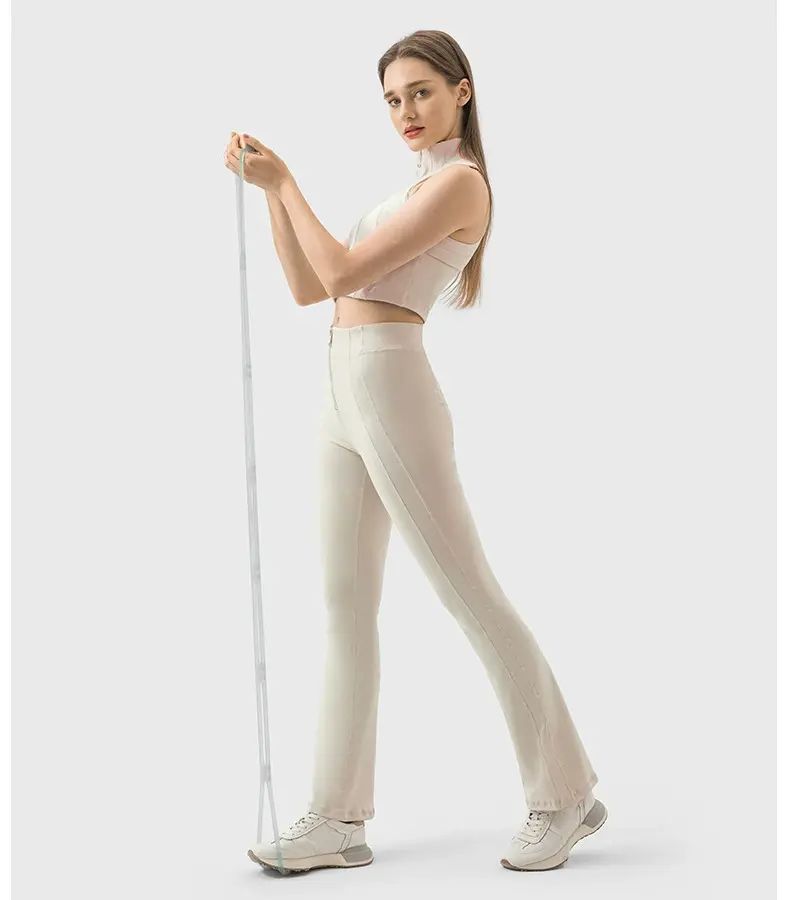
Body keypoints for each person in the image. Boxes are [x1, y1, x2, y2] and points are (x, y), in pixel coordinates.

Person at [225, 29, 606, 876]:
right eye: (393, 99)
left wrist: (287, 183)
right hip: (341, 385)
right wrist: (269, 196)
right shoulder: (409, 189)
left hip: (391, 383)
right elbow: (308, 287)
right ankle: (337, 818)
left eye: (422, 92)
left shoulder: (461, 183)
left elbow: (338, 273)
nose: (406, 110)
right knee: (344, 604)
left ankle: (565, 792)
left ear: (462, 91)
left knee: (469, 593)